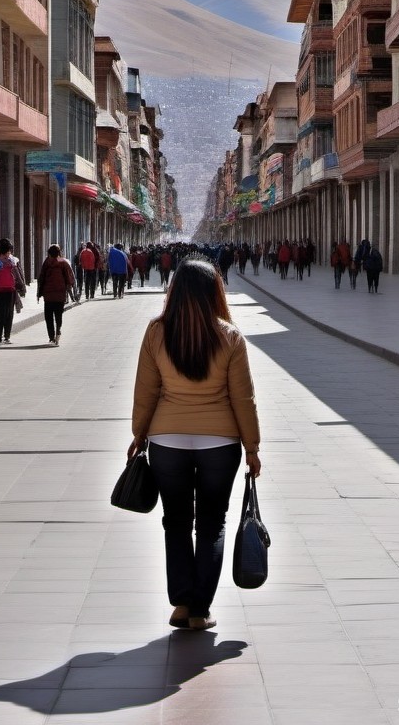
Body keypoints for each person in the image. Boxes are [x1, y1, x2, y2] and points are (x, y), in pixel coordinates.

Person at [129, 257, 261, 631]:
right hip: (221, 443)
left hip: (167, 443)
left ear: (174, 291)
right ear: (214, 292)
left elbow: (146, 392)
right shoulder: (230, 336)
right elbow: (243, 399)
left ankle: (181, 603)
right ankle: (201, 609)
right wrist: (252, 447)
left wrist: (139, 435)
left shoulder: (157, 332)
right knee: (212, 523)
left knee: (175, 523)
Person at [0, 238, 28, 346]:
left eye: (9, 252)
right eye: (7, 252)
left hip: (10, 290)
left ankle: (7, 336)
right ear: (1, 251)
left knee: (9, 313)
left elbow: (19, 275)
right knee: (0, 313)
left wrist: (22, 287)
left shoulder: (13, 261)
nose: (8, 254)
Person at [36, 244, 76, 345]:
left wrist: (39, 292)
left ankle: (51, 337)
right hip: (60, 295)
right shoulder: (63, 262)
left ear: (49, 253)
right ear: (59, 253)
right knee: (58, 315)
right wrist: (70, 289)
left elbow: (41, 278)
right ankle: (58, 330)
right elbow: (69, 277)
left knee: (48, 317)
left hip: (48, 295)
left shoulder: (46, 263)